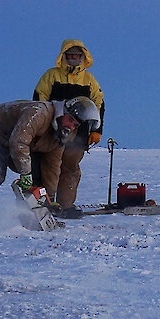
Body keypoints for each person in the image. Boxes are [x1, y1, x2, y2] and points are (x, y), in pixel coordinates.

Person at [0, 97, 101, 233]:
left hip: (11, 138)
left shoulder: (62, 135)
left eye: (75, 125)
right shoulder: (40, 113)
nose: (70, 126)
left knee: (36, 172)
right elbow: (18, 142)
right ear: (63, 112)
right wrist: (25, 173)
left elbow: (53, 165)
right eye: (70, 120)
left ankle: (27, 217)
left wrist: (48, 198)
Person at [31, 39, 105, 208]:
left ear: (83, 57)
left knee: (70, 169)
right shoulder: (51, 75)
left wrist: (97, 130)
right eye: (70, 54)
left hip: (79, 135)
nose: (73, 57)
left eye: (77, 55)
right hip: (52, 132)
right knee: (48, 168)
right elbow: (39, 100)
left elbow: (99, 104)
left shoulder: (89, 79)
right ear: (63, 56)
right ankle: (44, 204)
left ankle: (65, 206)